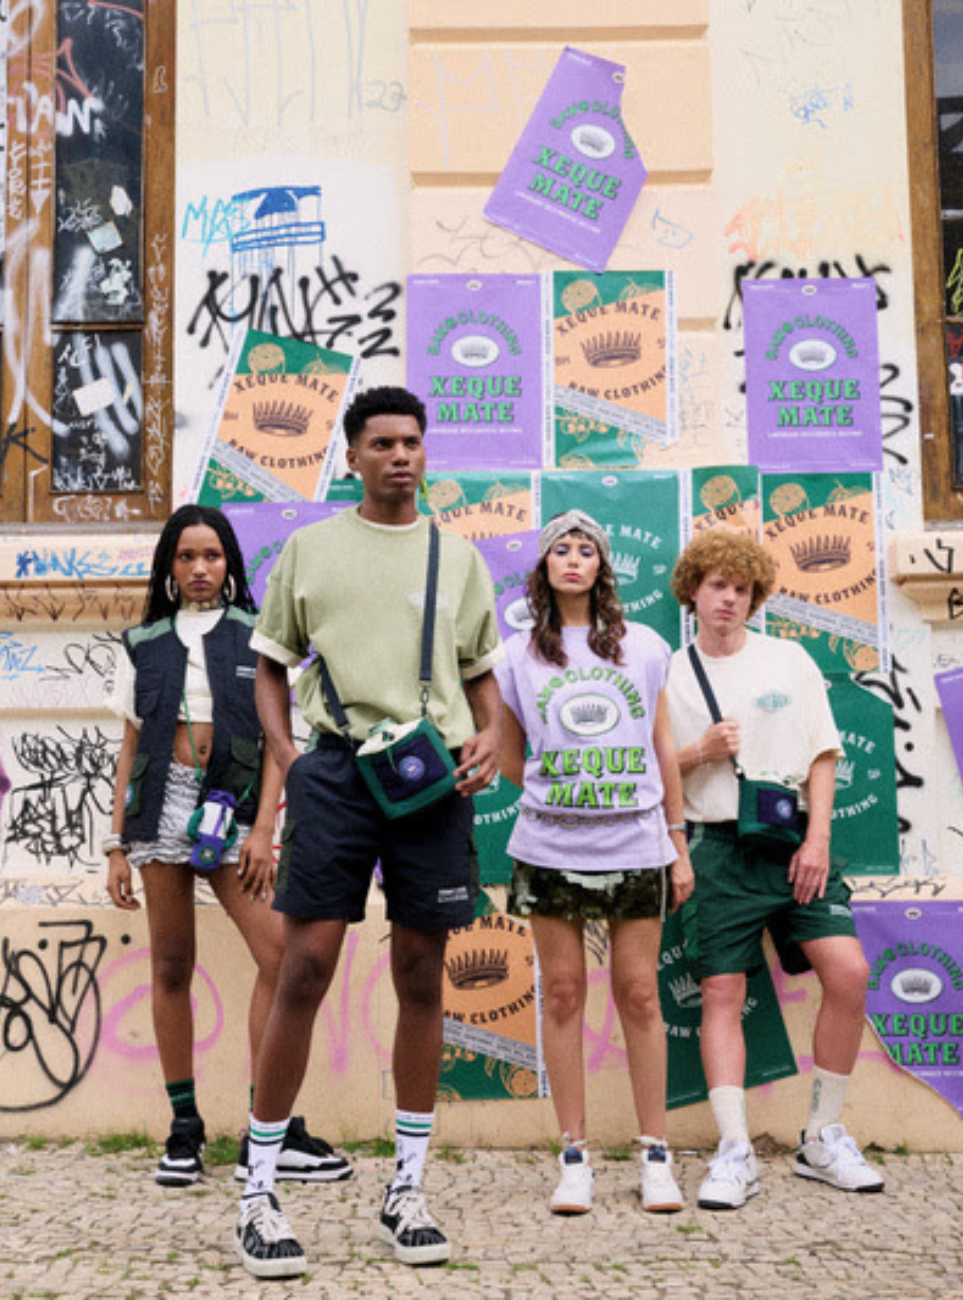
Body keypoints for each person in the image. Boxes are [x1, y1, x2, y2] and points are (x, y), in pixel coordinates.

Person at [235, 385, 503, 1278]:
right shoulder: (309, 551)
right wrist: (287, 755)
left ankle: (408, 1191)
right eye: (383, 443)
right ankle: (259, 1193)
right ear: (351, 457)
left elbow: (479, 681)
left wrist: (494, 735)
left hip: (431, 779)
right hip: (340, 773)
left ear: (427, 454)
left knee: (423, 972)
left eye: (413, 442)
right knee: (304, 965)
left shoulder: (456, 557)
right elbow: (270, 669)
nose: (401, 456)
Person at [106, 504, 351, 1190]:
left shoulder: (259, 635)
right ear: (169, 567)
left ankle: (264, 1126)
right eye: (185, 557)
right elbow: (127, 748)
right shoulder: (142, 642)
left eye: (211, 556)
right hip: (161, 805)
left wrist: (267, 830)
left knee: (281, 955)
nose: (199, 569)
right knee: (172, 963)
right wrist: (115, 846)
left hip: (236, 808)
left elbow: (283, 743)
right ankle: (184, 1129)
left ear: (231, 563)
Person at [666, 529, 884, 1210]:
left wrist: (818, 840)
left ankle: (822, 1136)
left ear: (755, 596)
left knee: (848, 972)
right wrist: (698, 752)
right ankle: (734, 1151)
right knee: (722, 993)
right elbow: (650, 774)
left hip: (793, 844)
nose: (729, 599)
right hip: (717, 845)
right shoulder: (669, 672)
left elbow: (823, 754)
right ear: (692, 592)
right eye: (717, 586)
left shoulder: (788, 658)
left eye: (742, 588)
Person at [496, 509, 693, 1217]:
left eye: (586, 550)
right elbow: (507, 748)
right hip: (550, 847)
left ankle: (654, 1154)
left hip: (636, 843)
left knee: (640, 994)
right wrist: (557, 795)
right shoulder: (517, 654)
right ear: (544, 567)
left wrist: (675, 838)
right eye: (560, 550)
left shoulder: (641, 646)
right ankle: (573, 1154)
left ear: (602, 568)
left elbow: (661, 745)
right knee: (566, 993)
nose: (573, 559)